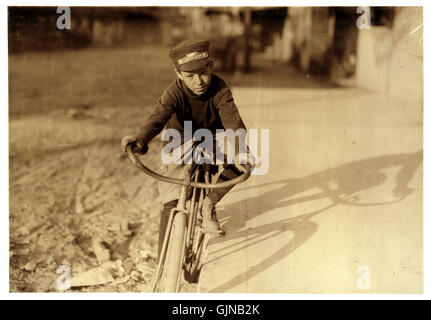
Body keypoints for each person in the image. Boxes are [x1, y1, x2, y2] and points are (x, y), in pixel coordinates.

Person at [121, 39, 251, 257]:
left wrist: (240, 151)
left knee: (244, 163)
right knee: (171, 200)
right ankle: (164, 259)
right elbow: (158, 116)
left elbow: (232, 122)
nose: (198, 81)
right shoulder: (173, 93)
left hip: (213, 136)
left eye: (203, 72)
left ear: (211, 66)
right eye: (189, 76)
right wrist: (141, 140)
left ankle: (209, 203)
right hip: (179, 139)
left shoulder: (220, 89)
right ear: (178, 74)